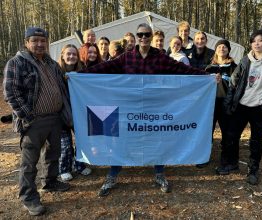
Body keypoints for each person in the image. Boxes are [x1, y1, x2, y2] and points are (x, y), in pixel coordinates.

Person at [80, 23, 209, 197]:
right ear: (137, 36)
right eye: (140, 35)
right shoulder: (127, 57)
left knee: (156, 138)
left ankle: (159, 173)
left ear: (150, 36)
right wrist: (80, 75)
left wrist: (206, 77)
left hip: (154, 107)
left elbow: (182, 69)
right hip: (129, 108)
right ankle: (112, 176)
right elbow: (105, 68)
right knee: (122, 141)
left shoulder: (160, 57)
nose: (143, 38)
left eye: (147, 35)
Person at [3, 27, 71, 216]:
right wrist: (28, 117)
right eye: (35, 41)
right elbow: (11, 93)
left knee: (53, 153)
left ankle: (50, 181)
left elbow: (61, 85)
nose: (39, 44)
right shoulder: (17, 63)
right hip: (33, 121)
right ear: (27, 42)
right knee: (29, 162)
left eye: (43, 41)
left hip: (55, 118)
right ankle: (29, 197)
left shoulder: (51, 63)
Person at [216, 30, 262, 185]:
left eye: (260, 40)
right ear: (250, 43)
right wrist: (228, 103)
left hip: (260, 107)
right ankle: (232, 163)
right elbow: (233, 84)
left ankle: (253, 169)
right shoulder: (245, 61)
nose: (257, 43)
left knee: (256, 140)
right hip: (241, 105)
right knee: (232, 135)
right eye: (254, 41)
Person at [57, 44, 92, 181]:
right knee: (65, 145)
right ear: (62, 56)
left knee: (81, 142)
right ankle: (64, 169)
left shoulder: (82, 71)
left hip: (79, 114)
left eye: (74, 54)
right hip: (62, 115)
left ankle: (80, 166)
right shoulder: (56, 72)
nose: (71, 56)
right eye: (68, 54)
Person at [206, 39, 237, 151]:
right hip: (211, 103)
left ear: (228, 50)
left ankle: (226, 156)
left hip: (226, 102)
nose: (222, 48)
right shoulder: (209, 67)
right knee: (208, 129)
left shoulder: (234, 67)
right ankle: (205, 154)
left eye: (224, 47)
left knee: (227, 130)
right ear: (215, 50)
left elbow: (237, 86)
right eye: (219, 47)